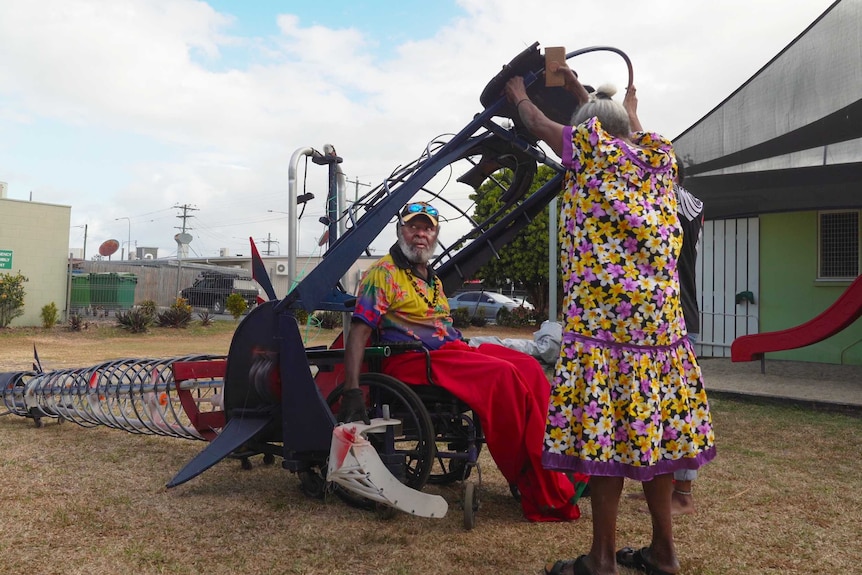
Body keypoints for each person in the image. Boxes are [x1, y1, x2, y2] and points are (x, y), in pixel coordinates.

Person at [505, 62, 716, 575]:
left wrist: (516, 94)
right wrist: (603, 99)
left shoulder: (592, 153)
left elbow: (540, 126)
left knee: (606, 440)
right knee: (653, 439)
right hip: (661, 335)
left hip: (604, 331)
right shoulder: (659, 159)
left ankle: (601, 559)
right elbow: (630, 128)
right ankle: (663, 552)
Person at [337, 201, 587, 523]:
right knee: (505, 376)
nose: (420, 235)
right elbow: (359, 332)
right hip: (412, 360)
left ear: (435, 234)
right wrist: (352, 391)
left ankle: (555, 466)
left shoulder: (431, 278)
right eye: (414, 227)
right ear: (402, 231)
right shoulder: (382, 275)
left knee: (530, 369)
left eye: (427, 229)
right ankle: (529, 477)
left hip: (449, 352)